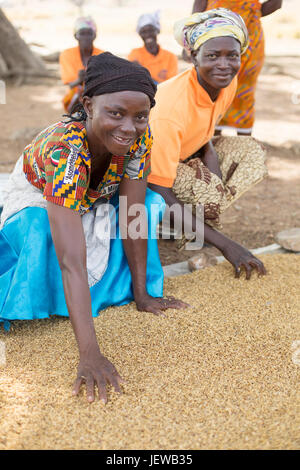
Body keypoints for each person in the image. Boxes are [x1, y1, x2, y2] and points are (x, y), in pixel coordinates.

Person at [0, 53, 188, 403]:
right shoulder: (66, 152)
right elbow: (73, 260)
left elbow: (132, 214)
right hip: (41, 194)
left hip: (93, 193)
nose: (129, 127)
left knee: (149, 205)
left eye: (140, 116)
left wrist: (143, 293)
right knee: (40, 229)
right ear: (88, 104)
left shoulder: (138, 140)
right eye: (115, 113)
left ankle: (122, 287)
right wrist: (90, 353)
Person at [148, 9, 268, 279]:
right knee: (200, 194)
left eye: (232, 56)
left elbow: (205, 134)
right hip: (145, 172)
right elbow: (157, 187)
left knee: (251, 152)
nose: (224, 65)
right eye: (212, 56)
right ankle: (173, 223)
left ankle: (196, 224)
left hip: (183, 155)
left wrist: (213, 179)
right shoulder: (170, 109)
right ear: (193, 57)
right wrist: (228, 246)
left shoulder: (227, 82)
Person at [191, 0, 283, 135]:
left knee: (239, 91)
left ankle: (242, 147)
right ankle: (211, 142)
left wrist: (248, 12)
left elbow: (276, 3)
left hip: (241, 35)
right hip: (215, 32)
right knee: (212, 88)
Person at [59, 16, 104, 113]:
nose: (86, 37)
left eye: (89, 34)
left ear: (94, 36)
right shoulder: (67, 54)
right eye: (82, 34)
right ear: (76, 36)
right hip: (75, 98)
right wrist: (79, 80)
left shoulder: (102, 55)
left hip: (97, 95)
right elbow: (71, 85)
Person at [128, 10, 178, 84]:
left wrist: (142, 74)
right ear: (140, 34)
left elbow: (172, 84)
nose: (148, 35)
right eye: (143, 32)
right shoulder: (135, 54)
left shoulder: (170, 57)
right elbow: (133, 80)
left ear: (157, 31)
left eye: (150, 30)